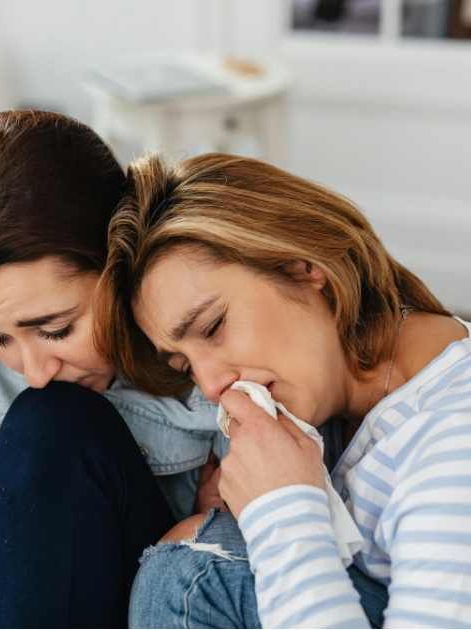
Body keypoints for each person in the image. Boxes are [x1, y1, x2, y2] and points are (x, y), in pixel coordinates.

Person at [0, 110, 227, 628]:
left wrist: (214, 527)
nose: (35, 370)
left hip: (178, 599)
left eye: (56, 329)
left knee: (51, 421)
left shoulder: (216, 324)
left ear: (121, 258)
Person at [99, 152, 471, 627]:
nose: (212, 386)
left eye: (213, 328)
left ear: (302, 266)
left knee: (193, 571)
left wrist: (282, 513)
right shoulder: (344, 408)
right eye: (185, 364)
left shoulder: (451, 442)